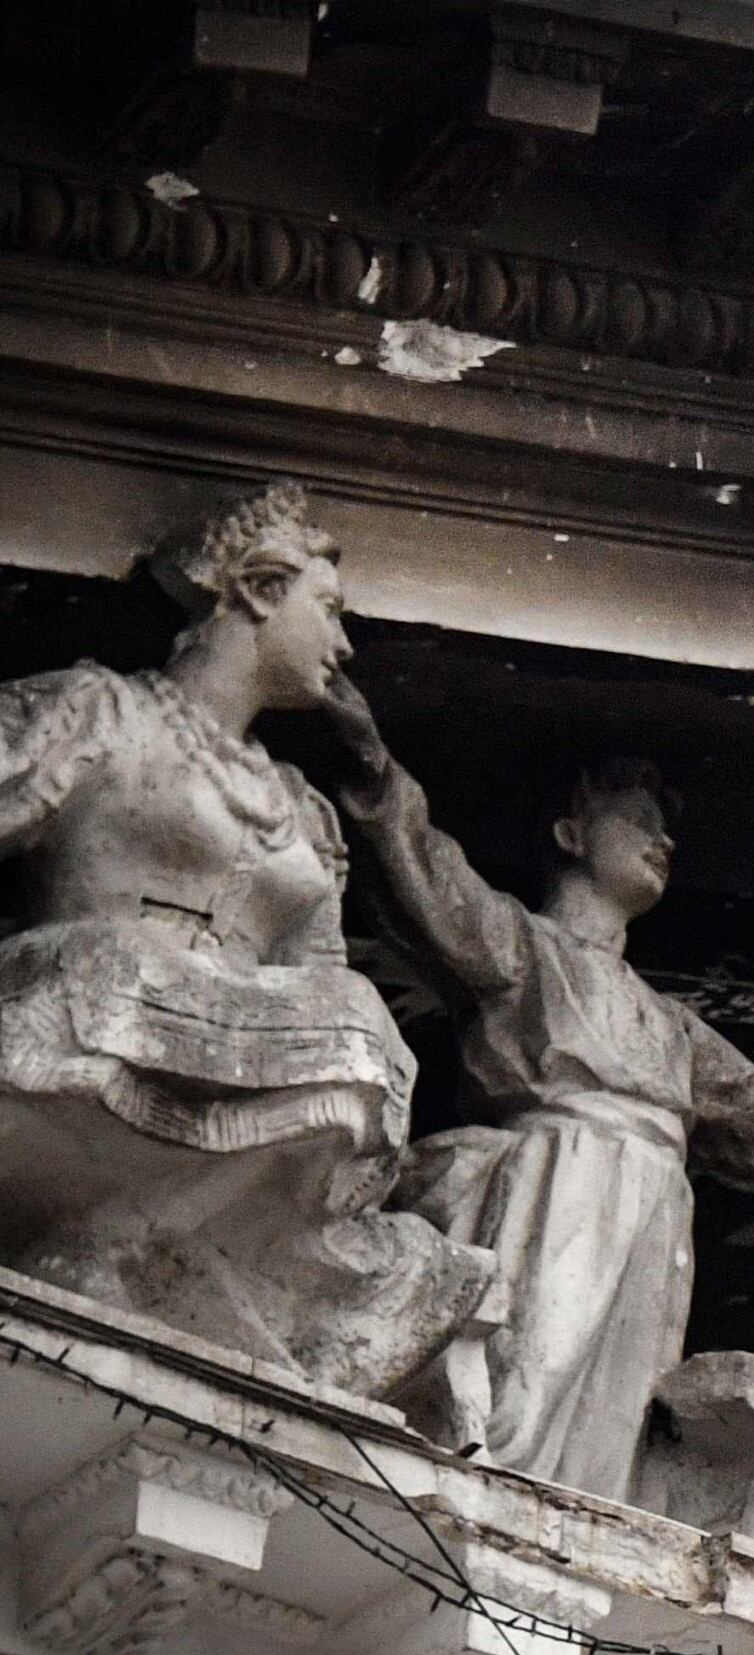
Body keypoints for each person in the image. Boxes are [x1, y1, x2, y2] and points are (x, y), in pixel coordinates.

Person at [325, 736, 754, 1497]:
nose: (662, 840)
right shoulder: (524, 948)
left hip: (653, 1210)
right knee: (522, 1389)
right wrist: (373, 768)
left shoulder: (669, 1026)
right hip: (563, 1179)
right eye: (637, 820)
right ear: (570, 835)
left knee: (609, 1435)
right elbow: (429, 876)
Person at [0, 481, 485, 1394]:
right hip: (91, 995)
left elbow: (325, 980)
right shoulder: (101, 714)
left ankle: (128, 1245)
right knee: (127, 967)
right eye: (329, 611)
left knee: (356, 1029)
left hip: (244, 1049)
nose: (343, 647)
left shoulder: (301, 810)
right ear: (260, 593)